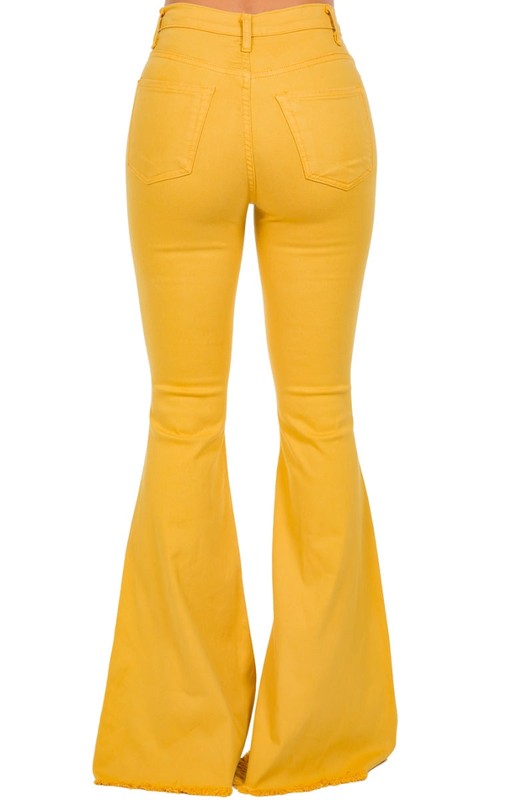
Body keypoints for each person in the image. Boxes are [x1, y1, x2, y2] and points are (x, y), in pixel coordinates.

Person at [92, 2, 398, 795]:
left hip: (184, 86)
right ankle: (315, 742)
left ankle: (175, 745)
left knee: (182, 418)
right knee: (320, 418)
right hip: (313, 85)